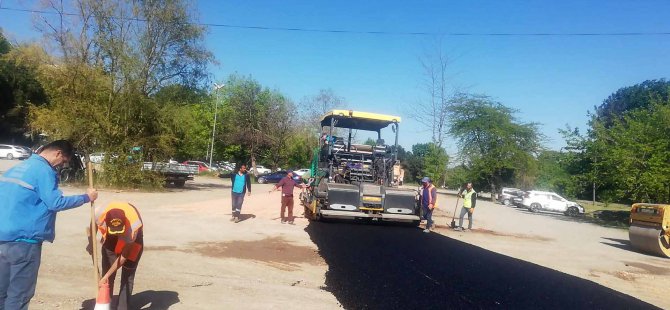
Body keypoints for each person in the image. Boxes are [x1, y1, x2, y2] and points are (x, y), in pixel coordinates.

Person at [0, 139, 98, 310]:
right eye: (64, 161)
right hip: (24, 242)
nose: (61, 165)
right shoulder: (43, 170)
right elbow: (55, 203)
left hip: (3, 238)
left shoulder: (17, 168)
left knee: (2, 292)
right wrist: (85, 197)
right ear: (58, 153)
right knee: (19, 295)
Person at [92, 202, 143, 310]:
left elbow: (124, 256)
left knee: (127, 275)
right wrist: (90, 242)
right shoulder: (99, 213)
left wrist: (105, 276)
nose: (117, 234)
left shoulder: (132, 227)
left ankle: (123, 307)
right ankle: (105, 303)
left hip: (132, 239)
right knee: (107, 273)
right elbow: (92, 224)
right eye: (114, 231)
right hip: (110, 235)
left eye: (119, 231)